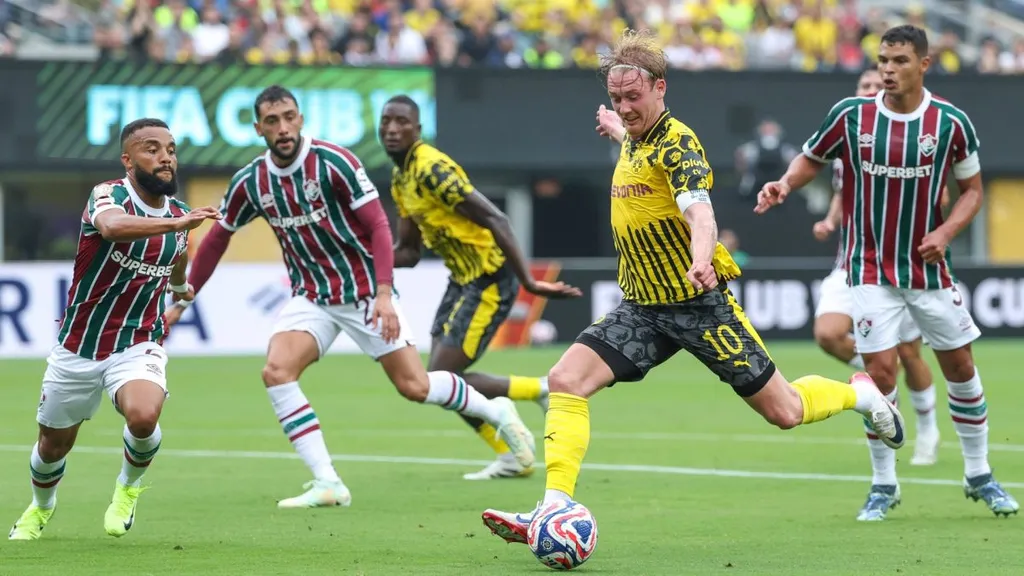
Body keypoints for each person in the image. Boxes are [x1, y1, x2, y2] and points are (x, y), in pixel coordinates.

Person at [480, 30, 905, 546]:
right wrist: (618, 128)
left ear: (660, 88)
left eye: (633, 98)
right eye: (616, 99)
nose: (625, 107)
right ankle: (551, 508)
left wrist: (702, 260)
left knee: (786, 412)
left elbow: (699, 209)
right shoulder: (636, 137)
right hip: (641, 308)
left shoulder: (680, 141)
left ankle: (858, 392)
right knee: (566, 379)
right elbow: (640, 151)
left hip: (698, 305)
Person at [163, 85, 535, 509]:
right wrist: (181, 302)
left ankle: (497, 411)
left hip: (363, 291)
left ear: (300, 119)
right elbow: (216, 241)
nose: (282, 128)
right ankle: (328, 483)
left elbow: (378, 226)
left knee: (414, 386)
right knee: (277, 371)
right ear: (258, 128)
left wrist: (382, 293)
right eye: (272, 121)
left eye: (288, 117)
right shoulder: (252, 181)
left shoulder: (334, 162)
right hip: (313, 296)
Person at [756, 25, 1018, 519]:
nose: (888, 70)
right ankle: (883, 484)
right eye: (883, 60)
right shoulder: (851, 116)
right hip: (870, 268)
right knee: (877, 375)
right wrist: (784, 185)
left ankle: (979, 473)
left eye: (899, 60)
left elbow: (974, 192)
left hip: (929, 273)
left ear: (924, 63)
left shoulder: (950, 123)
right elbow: (811, 159)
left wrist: (945, 233)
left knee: (961, 367)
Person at [9, 118, 222, 540]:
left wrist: (180, 293)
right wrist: (179, 226)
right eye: (151, 148)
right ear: (127, 160)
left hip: (137, 342)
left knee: (143, 416)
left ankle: (127, 489)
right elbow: (112, 228)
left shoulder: (180, 218)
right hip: (79, 347)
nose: (165, 157)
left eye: (171, 149)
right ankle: (40, 506)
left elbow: (177, 261)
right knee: (53, 446)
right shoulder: (109, 196)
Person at [379, 95, 583, 481]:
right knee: (440, 383)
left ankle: (535, 397)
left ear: (417, 129)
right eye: (386, 121)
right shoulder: (400, 177)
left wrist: (528, 282)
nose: (391, 129)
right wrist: (364, 261)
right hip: (462, 280)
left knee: (438, 381)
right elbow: (408, 251)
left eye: (401, 121)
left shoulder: (431, 169)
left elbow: (497, 218)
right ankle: (515, 447)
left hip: (491, 278)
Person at [811, 70, 942, 500]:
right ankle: (880, 383)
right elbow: (841, 192)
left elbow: (936, 195)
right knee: (828, 334)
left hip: (894, 267)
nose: (870, 92)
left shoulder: (906, 142)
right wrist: (832, 220)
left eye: (875, 86)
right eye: (863, 88)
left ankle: (927, 428)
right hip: (850, 263)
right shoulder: (847, 142)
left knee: (909, 350)